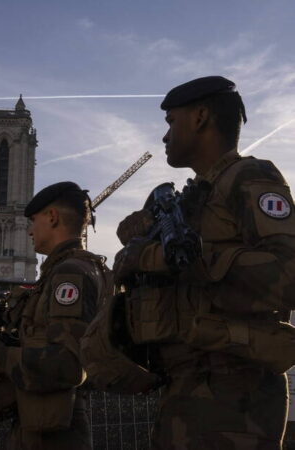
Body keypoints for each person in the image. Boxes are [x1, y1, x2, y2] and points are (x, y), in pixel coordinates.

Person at [112, 76, 295, 449]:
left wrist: (172, 258)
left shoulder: (250, 176)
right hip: (185, 388)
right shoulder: (194, 198)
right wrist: (140, 245)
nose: (165, 137)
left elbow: (287, 271)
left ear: (199, 117)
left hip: (233, 398)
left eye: (171, 122)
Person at [0, 181, 111, 450]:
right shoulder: (67, 270)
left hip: (54, 437)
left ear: (52, 217)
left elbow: (68, 364)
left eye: (33, 221)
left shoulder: (69, 274)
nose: (30, 231)